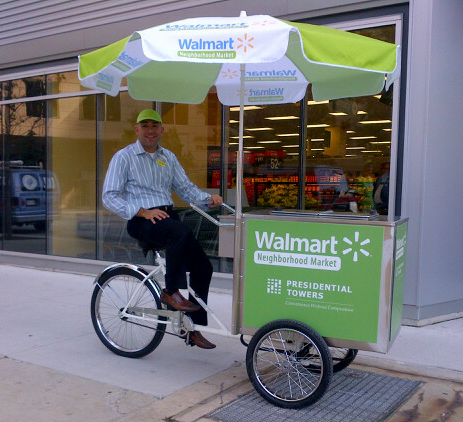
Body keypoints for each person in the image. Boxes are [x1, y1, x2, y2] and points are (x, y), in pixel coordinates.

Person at [102, 109, 222, 349]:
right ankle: (170, 291)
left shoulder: (168, 157)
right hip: (141, 220)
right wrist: (141, 211)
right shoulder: (124, 157)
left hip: (167, 216)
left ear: (161, 130)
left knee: (203, 267)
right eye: (144, 125)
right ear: (137, 130)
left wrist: (209, 198)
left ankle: (193, 328)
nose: (150, 130)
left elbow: (185, 188)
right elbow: (110, 196)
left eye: (154, 125)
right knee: (180, 232)